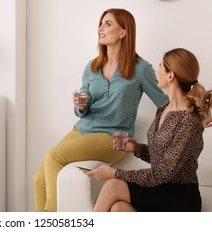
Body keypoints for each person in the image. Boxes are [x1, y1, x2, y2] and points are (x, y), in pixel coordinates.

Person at [33, 8, 169, 212]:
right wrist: (80, 106)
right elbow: (82, 112)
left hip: (112, 137)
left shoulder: (140, 69)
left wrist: (192, 117)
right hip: (82, 130)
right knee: (38, 180)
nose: (100, 28)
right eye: (100, 23)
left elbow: (164, 101)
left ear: (123, 32)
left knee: (54, 156)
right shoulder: (92, 67)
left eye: (108, 24)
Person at [88, 48, 212, 212]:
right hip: (160, 188)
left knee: (113, 186)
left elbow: (162, 173)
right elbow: (162, 157)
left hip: (180, 198)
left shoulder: (189, 121)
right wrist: (137, 148)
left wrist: (115, 173)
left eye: (161, 66)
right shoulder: (164, 109)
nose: (157, 70)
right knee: (119, 209)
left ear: (170, 76)